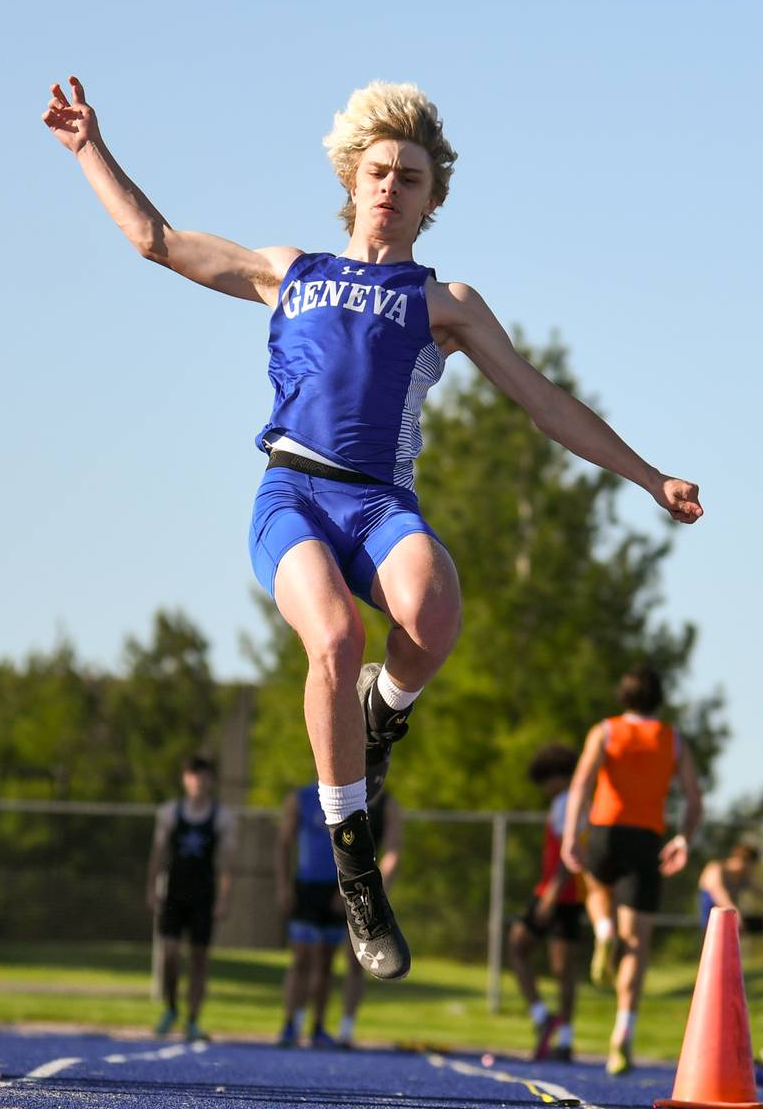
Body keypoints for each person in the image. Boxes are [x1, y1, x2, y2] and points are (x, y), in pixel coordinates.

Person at [44, 76, 703, 981]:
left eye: (414, 178)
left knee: (433, 617)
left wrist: (649, 475)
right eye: (381, 171)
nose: (393, 187)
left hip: (380, 502)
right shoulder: (290, 271)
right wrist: (89, 150)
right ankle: (356, 862)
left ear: (433, 201)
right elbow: (158, 242)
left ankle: (380, 712)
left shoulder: (446, 301)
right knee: (341, 633)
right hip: (294, 496)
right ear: (353, 179)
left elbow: (545, 404)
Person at [561, 664, 703, 1076]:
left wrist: (571, 833)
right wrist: (684, 839)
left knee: (595, 882)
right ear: (658, 698)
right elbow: (694, 799)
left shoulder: (604, 731)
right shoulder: (673, 740)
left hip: (605, 830)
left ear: (623, 696)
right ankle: (623, 1032)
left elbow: (582, 785)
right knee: (636, 945)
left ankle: (602, 929)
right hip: (646, 839)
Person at [146, 755, 235, 1042]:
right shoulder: (170, 813)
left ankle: (193, 1019)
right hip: (174, 893)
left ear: (211, 780)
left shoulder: (222, 817)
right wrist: (150, 887)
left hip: (203, 895)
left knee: (198, 957)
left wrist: (223, 898)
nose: (198, 781)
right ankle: (171, 1007)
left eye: (203, 775)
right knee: (169, 955)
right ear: (185, 779)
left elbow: (226, 862)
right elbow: (158, 853)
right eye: (192, 775)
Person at [508, 743, 586, 1063]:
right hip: (562, 892)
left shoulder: (568, 802)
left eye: (546, 782)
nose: (544, 789)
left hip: (559, 893)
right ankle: (554, 1027)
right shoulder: (568, 801)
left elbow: (571, 853)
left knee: (522, 950)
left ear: (559, 777)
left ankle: (552, 1025)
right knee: (558, 967)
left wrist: (552, 893)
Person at [275, 782, 347, 1048]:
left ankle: (318, 1026)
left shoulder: (350, 796)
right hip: (306, 887)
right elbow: (283, 843)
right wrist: (283, 885)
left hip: (336, 888)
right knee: (301, 958)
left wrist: (345, 890)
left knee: (326, 961)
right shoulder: (300, 798)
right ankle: (290, 1024)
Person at [337, 788, 402, 1047]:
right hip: (326, 887)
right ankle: (300, 1024)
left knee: (356, 961)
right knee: (312, 957)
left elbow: (393, 850)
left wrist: (372, 891)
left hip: (361, 894)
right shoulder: (335, 793)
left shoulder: (386, 802)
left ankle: (345, 1028)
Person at [697, 842, 763, 930]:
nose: (752, 870)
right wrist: (735, 914)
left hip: (731, 919)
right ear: (744, 861)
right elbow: (719, 894)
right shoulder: (715, 869)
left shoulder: (743, 878)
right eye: (751, 866)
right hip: (711, 924)